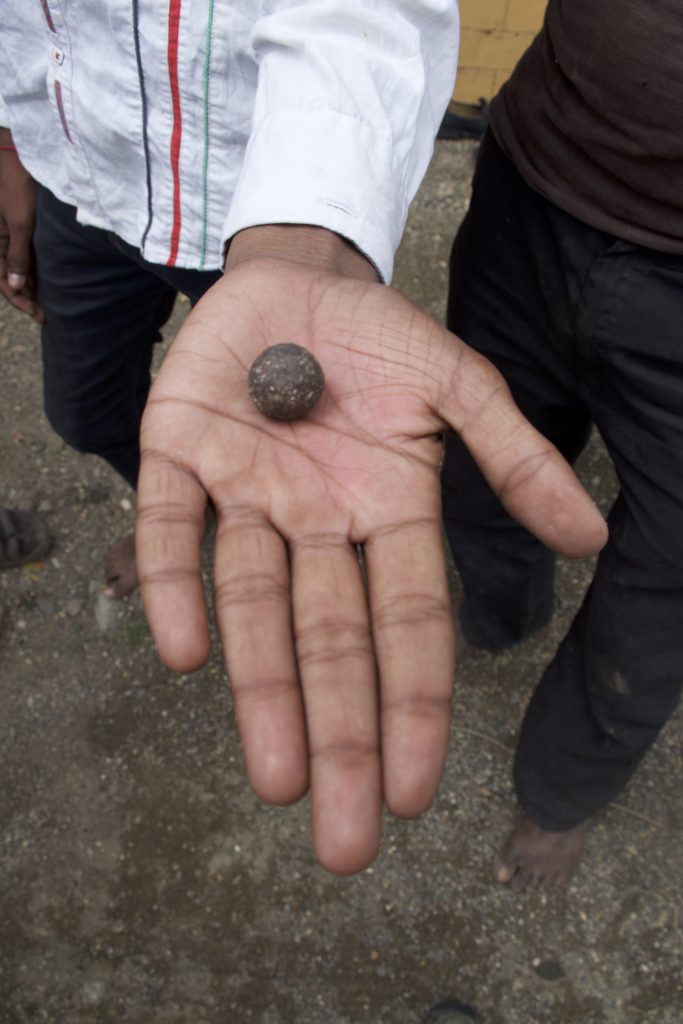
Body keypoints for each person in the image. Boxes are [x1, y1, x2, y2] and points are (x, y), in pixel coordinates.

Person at [0, 1, 607, 875]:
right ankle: (192, 503)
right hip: (77, 162)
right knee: (86, 410)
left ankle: (223, 504)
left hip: (250, 185)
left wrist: (306, 233)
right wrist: (12, 133)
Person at [442, 0, 683, 889]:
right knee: (483, 459)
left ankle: (560, 792)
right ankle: (496, 613)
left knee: (662, 588)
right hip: (540, 176)